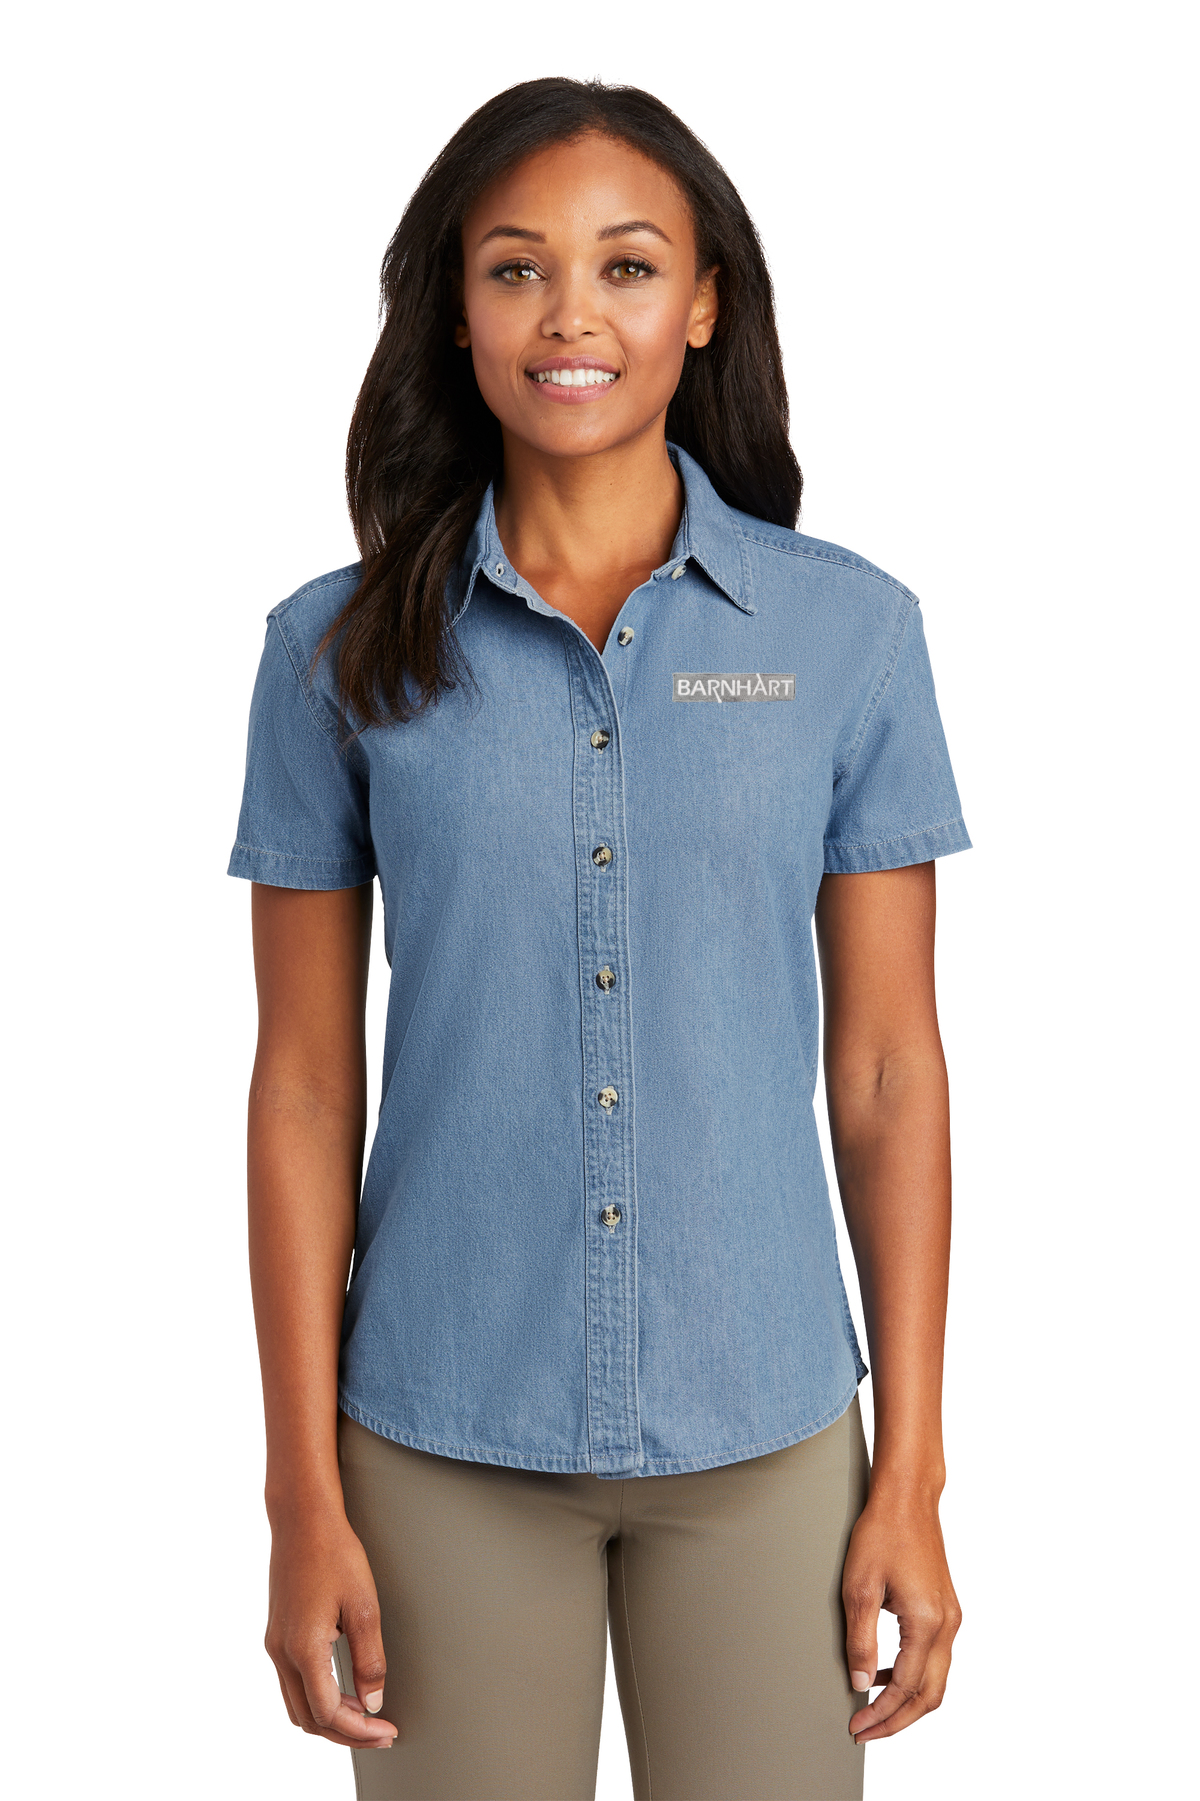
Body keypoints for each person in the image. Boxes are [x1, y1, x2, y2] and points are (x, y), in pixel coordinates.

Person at [228, 77, 968, 1801]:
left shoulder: (847, 638)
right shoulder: (332, 654)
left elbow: (885, 1071)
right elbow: (304, 1088)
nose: (572, 316)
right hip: (439, 1438)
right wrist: (298, 1496)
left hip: (768, 1431)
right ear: (456, 311)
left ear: (702, 305)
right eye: (517, 269)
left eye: (627, 267)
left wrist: (913, 1471)